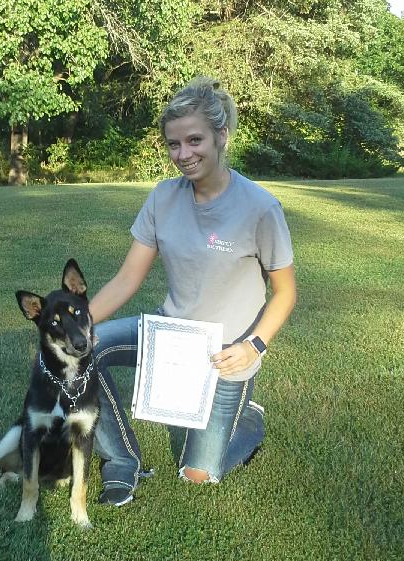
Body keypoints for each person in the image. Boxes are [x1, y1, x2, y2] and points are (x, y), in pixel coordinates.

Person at [88, 78, 297, 506]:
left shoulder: (260, 208)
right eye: (174, 144)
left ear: (222, 136)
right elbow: (127, 279)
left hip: (227, 354)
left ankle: (248, 422)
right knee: (83, 351)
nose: (183, 154)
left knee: (197, 475)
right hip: (171, 338)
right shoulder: (163, 198)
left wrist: (253, 346)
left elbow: (285, 293)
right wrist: (77, 329)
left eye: (195, 140)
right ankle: (122, 462)